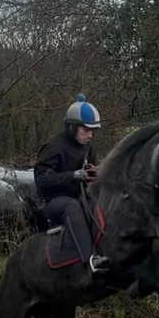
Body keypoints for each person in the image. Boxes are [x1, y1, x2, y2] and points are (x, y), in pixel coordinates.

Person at [34, 94, 110, 274]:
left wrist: (93, 173)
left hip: (78, 196)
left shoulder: (88, 148)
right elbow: (42, 180)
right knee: (73, 207)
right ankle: (91, 260)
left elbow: (87, 176)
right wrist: (74, 175)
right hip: (52, 202)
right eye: (86, 130)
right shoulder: (53, 146)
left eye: (93, 131)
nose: (90, 135)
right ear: (72, 127)